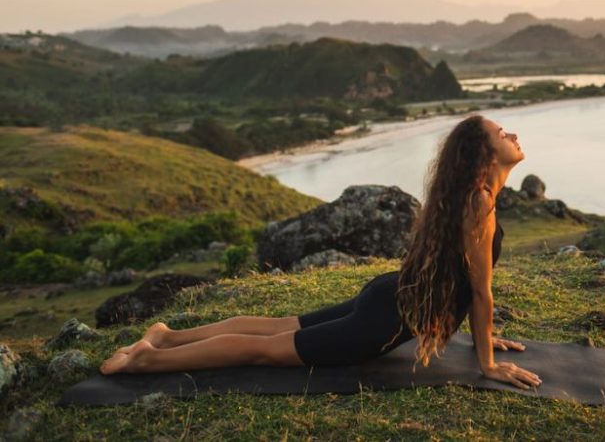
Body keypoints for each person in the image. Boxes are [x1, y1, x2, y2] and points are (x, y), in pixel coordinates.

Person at [99, 115, 543, 391]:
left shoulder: (469, 196)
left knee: (277, 328)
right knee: (265, 350)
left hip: (389, 294)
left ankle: (168, 335)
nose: (513, 134)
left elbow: (459, 282)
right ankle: (149, 359)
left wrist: (485, 336)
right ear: (483, 154)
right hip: (384, 320)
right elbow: (479, 292)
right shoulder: (479, 202)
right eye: (502, 132)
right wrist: (486, 362)